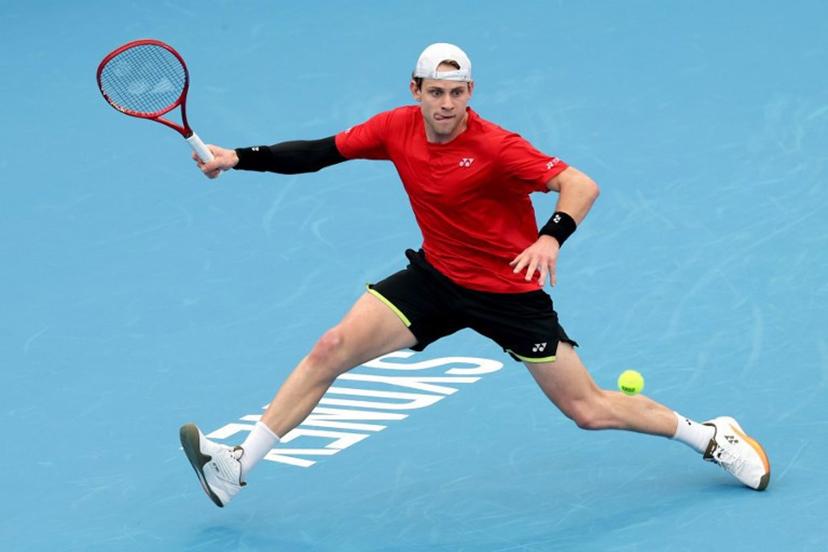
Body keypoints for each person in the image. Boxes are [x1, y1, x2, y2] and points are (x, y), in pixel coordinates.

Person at [179, 43, 770, 507]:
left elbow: (581, 184)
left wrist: (548, 236)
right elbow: (323, 150)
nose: (445, 104)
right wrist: (240, 157)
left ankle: (711, 435)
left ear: (470, 92)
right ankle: (236, 466)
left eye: (456, 93)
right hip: (436, 279)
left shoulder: (497, 146)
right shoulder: (395, 128)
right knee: (330, 347)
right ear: (415, 91)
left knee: (588, 410)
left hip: (509, 294)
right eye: (434, 92)